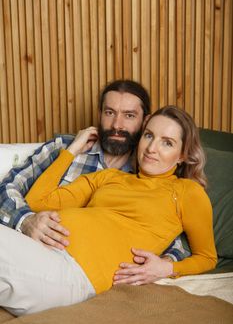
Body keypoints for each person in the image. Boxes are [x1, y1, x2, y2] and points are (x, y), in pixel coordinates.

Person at [0, 105, 217, 315]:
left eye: (167, 143)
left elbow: (207, 257)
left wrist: (168, 268)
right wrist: (72, 150)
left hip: (73, 273)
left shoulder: (187, 192)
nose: (152, 148)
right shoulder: (110, 176)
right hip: (39, 250)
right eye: (149, 136)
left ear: (182, 155)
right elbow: (38, 201)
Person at [0, 80, 188, 276]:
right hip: (23, 251)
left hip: (80, 272)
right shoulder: (63, 147)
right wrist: (26, 221)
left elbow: (175, 237)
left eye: (129, 115)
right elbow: (7, 188)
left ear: (146, 121)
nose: (117, 125)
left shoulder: (152, 173)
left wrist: (166, 264)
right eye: (110, 113)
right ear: (99, 114)